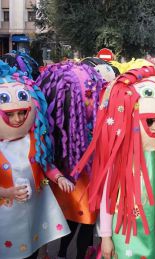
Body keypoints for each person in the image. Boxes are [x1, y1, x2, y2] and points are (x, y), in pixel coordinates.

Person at [71, 66, 155, 259]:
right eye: (149, 121)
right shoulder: (120, 156)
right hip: (126, 235)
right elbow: (108, 198)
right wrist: (105, 237)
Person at [0, 63, 72, 259]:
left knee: (31, 247)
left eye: (22, 112)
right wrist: (7, 192)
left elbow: (45, 164)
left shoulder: (34, 139)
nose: (17, 119)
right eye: (10, 114)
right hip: (6, 218)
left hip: (33, 209)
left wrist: (59, 178)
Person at [36, 61, 105, 259]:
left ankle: (67, 253)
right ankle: (67, 253)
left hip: (80, 180)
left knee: (78, 220)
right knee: (79, 220)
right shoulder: (57, 138)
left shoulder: (56, 137)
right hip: (76, 180)